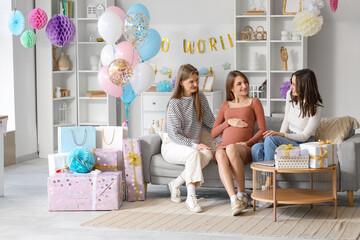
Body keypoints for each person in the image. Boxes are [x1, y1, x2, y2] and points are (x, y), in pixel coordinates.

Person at [251, 69, 323, 188]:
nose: (291, 86)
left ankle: (269, 184)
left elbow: (304, 136)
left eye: (295, 84)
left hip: (303, 144)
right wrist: (279, 135)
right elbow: (286, 119)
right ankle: (266, 183)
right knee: (256, 148)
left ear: (304, 86)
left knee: (271, 139)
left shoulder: (316, 106)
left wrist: (280, 136)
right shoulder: (290, 94)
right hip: (289, 140)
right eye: (291, 83)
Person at [161, 64, 216, 213]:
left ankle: (176, 183)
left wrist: (224, 137)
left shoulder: (200, 97)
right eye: (191, 81)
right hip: (171, 145)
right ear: (181, 82)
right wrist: (194, 146)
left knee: (208, 153)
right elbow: (174, 135)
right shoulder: (174, 103)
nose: (196, 84)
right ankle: (191, 196)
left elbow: (211, 122)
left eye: (196, 80)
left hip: (190, 146)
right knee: (194, 153)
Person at [211, 70, 266, 216]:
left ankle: (242, 194)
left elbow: (262, 130)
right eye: (239, 84)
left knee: (231, 149)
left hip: (243, 148)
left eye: (245, 82)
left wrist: (248, 143)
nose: (244, 86)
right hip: (224, 147)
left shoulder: (254, 102)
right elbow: (214, 132)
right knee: (221, 154)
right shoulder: (225, 105)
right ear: (231, 88)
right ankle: (234, 199)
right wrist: (228, 122)